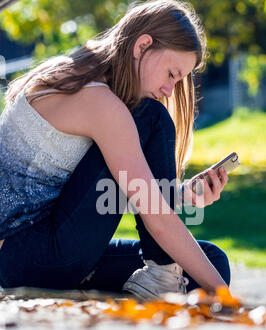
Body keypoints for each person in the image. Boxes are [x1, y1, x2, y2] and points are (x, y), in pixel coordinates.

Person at [0, 0, 231, 299]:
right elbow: (156, 216)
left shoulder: (83, 75)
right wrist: (228, 299)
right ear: (142, 46)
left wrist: (183, 194)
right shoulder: (99, 102)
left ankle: (144, 283)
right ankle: (160, 275)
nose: (169, 89)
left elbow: (101, 192)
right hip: (31, 257)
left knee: (211, 262)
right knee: (152, 116)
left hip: (43, 254)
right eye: (172, 74)